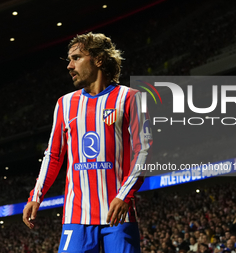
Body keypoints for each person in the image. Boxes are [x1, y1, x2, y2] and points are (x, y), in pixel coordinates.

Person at [22, 32, 153, 253]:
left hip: (118, 213)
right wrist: (36, 196)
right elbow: (53, 155)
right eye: (69, 60)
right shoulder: (65, 104)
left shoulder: (130, 98)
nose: (69, 66)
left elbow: (145, 150)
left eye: (76, 58)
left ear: (98, 59)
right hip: (77, 215)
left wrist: (125, 195)